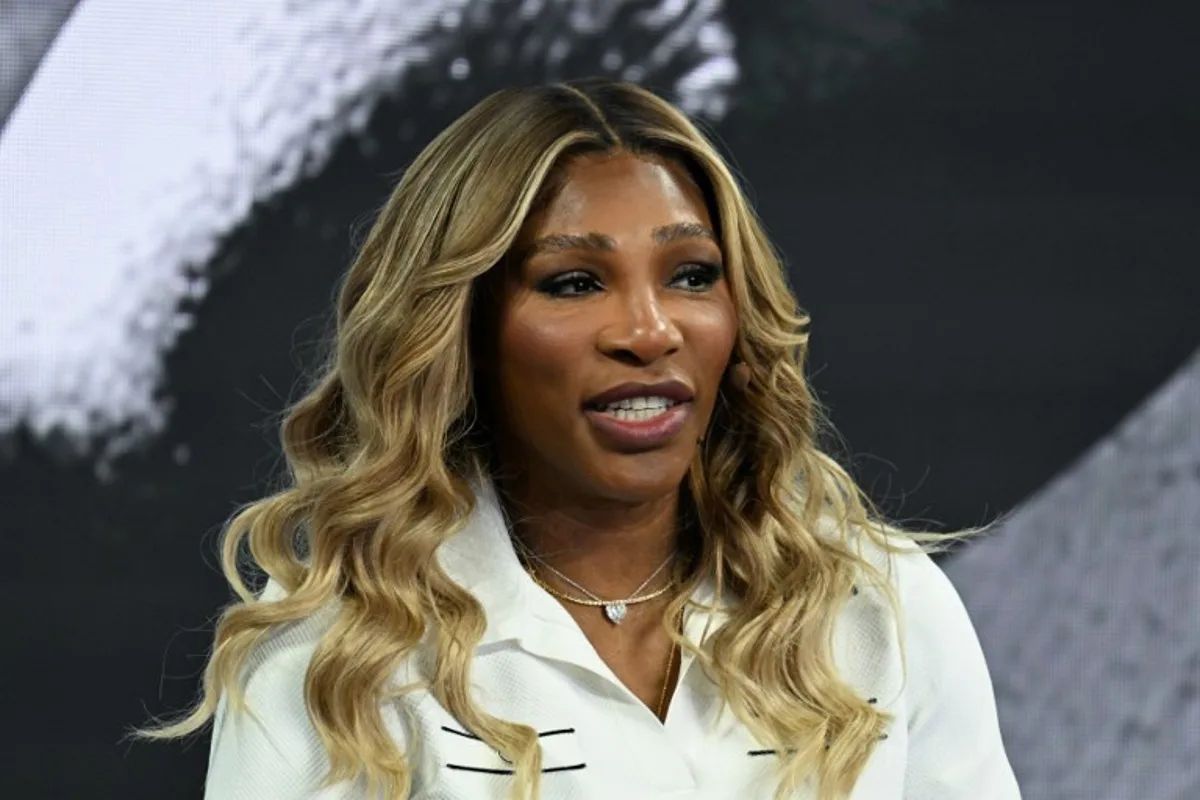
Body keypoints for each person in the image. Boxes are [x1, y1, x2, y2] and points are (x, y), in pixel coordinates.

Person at [136, 79, 1021, 799]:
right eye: (572, 283)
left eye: (690, 275)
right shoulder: (335, 666)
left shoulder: (884, 606)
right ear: (463, 330)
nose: (648, 329)